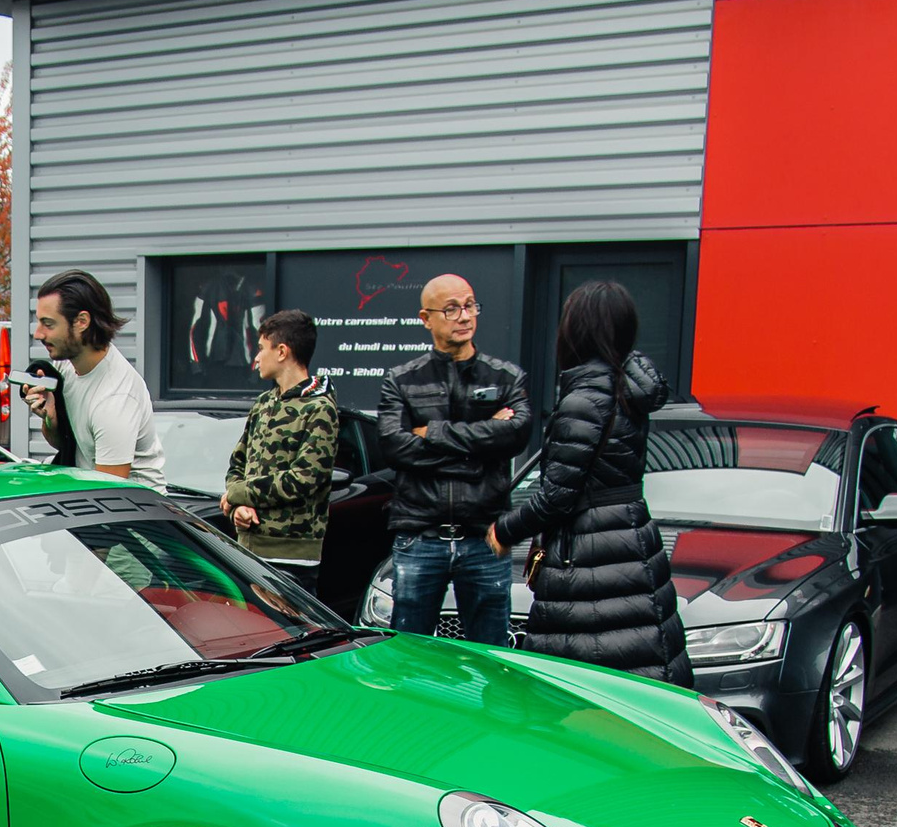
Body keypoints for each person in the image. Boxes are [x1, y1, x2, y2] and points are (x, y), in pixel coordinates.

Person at [488, 282, 692, 685]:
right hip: (632, 541)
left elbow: (557, 496)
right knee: (642, 669)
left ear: (578, 330)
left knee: (576, 686)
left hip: (589, 557)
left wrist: (504, 530)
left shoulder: (585, 398)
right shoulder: (626, 388)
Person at [377, 274, 532, 645]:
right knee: (409, 652)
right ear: (426, 318)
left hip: (484, 538)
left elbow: (517, 434)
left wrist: (430, 433)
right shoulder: (401, 380)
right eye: (451, 309)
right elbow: (394, 447)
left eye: (470, 305)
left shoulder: (506, 377)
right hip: (420, 536)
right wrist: (481, 443)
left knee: (491, 656)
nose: (464, 316)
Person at [220, 309, 339, 594]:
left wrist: (238, 494)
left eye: (262, 348)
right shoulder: (263, 403)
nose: (256, 358)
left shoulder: (320, 408)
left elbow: (304, 478)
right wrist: (238, 508)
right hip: (248, 550)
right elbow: (238, 463)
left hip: (292, 557)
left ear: (282, 351)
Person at [23, 270, 165, 488]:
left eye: (48, 324)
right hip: (93, 493)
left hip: (133, 506)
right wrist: (51, 418)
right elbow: (63, 443)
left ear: (82, 322)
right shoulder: (66, 364)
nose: (38, 334)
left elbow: (108, 492)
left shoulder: (115, 399)